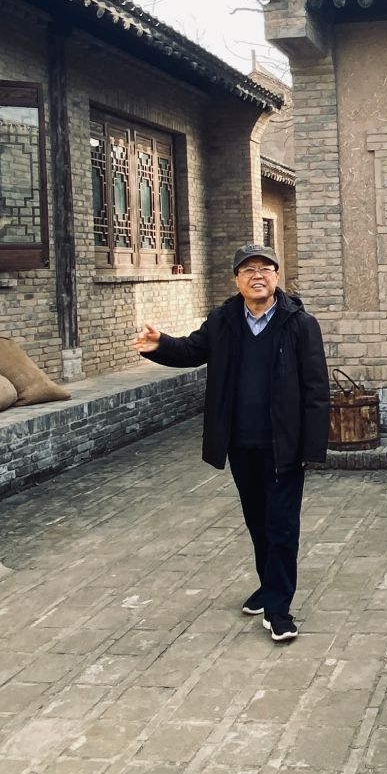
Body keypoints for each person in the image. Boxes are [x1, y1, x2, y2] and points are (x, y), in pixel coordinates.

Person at [131, 243, 327, 643]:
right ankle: (268, 587)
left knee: (281, 525)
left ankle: (278, 609)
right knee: (257, 521)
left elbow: (316, 388)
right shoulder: (223, 320)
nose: (258, 276)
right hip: (240, 443)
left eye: (265, 268)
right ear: (237, 279)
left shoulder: (300, 323)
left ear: (276, 276)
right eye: (248, 270)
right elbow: (192, 350)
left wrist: (311, 447)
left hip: (283, 445)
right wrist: (161, 344)